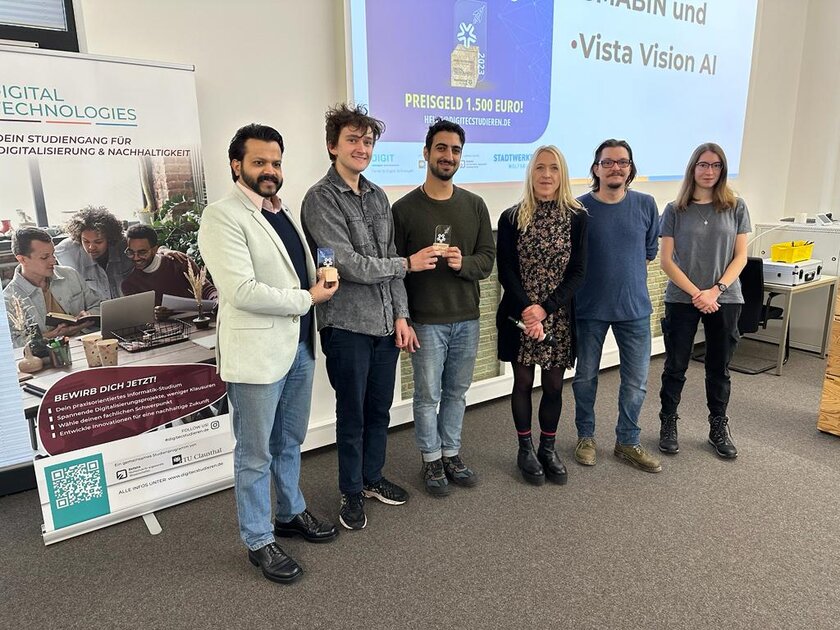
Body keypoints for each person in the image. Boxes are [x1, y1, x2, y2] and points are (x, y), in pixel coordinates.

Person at [198, 124, 339, 585]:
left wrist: (317, 276)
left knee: (289, 441)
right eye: (259, 162)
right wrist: (309, 298)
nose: (270, 171)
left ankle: (290, 513)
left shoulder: (283, 212)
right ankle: (258, 539)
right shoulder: (222, 216)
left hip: (298, 347)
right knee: (255, 453)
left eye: (275, 163)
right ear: (236, 164)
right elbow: (241, 291)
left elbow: (291, 271)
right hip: (258, 354)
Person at [301, 103, 411, 530]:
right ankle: (350, 491)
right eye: (353, 139)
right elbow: (346, 264)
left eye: (368, 141)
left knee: (379, 410)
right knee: (352, 414)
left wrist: (402, 315)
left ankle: (372, 478)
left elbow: (385, 258)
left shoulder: (379, 196)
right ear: (333, 146)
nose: (362, 148)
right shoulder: (320, 198)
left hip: (384, 324)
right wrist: (405, 264)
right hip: (346, 324)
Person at [392, 119, 495, 496]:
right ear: (426, 153)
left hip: (467, 318)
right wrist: (402, 318)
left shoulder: (475, 205)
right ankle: (431, 458)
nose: (448, 156)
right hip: (426, 321)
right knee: (427, 395)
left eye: (455, 150)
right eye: (441, 148)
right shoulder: (403, 210)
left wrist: (461, 264)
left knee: (457, 392)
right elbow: (394, 272)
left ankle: (452, 453)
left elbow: (486, 259)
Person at [496, 146, 588, 485]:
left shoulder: (578, 218)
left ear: (561, 174)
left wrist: (545, 309)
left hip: (558, 316)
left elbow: (578, 272)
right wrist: (528, 310)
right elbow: (505, 269)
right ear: (530, 173)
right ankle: (525, 448)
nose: (546, 175)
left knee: (552, 385)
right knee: (522, 383)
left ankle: (548, 448)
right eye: (539, 168)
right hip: (520, 315)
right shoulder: (511, 217)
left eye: (553, 168)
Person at [572, 140, 662, 473]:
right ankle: (586, 437)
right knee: (585, 378)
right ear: (596, 168)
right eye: (608, 162)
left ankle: (627, 441)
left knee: (636, 381)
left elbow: (649, 251)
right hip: (589, 308)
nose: (616, 168)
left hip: (635, 309)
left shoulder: (646, 204)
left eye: (622, 162)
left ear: (630, 168)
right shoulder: (578, 208)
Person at [658, 142, 750, 459]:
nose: (708, 171)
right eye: (702, 165)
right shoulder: (674, 210)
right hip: (683, 299)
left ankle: (718, 427)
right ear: (692, 168)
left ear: (722, 170)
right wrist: (698, 293)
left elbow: (741, 257)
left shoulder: (736, 207)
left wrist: (716, 290)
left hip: (725, 298)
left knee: (718, 367)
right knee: (675, 366)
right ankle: (668, 423)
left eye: (715, 165)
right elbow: (667, 261)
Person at [4, 227, 100, 347]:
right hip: (46, 357)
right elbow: (14, 343)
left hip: (88, 343)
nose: (53, 261)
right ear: (22, 259)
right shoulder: (8, 299)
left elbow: (98, 305)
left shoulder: (70, 275)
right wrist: (52, 335)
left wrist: (87, 316)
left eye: (53, 254)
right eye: (44, 257)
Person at [121, 224, 218, 319]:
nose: (136, 257)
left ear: (154, 249)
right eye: (131, 252)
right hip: (167, 330)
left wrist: (217, 300)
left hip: (201, 320)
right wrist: (155, 313)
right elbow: (141, 316)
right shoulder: (130, 283)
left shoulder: (179, 262)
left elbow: (206, 289)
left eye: (142, 252)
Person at [54, 206, 136, 300]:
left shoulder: (125, 246)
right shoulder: (65, 252)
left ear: (109, 239)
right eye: (86, 241)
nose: (91, 247)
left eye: (98, 242)